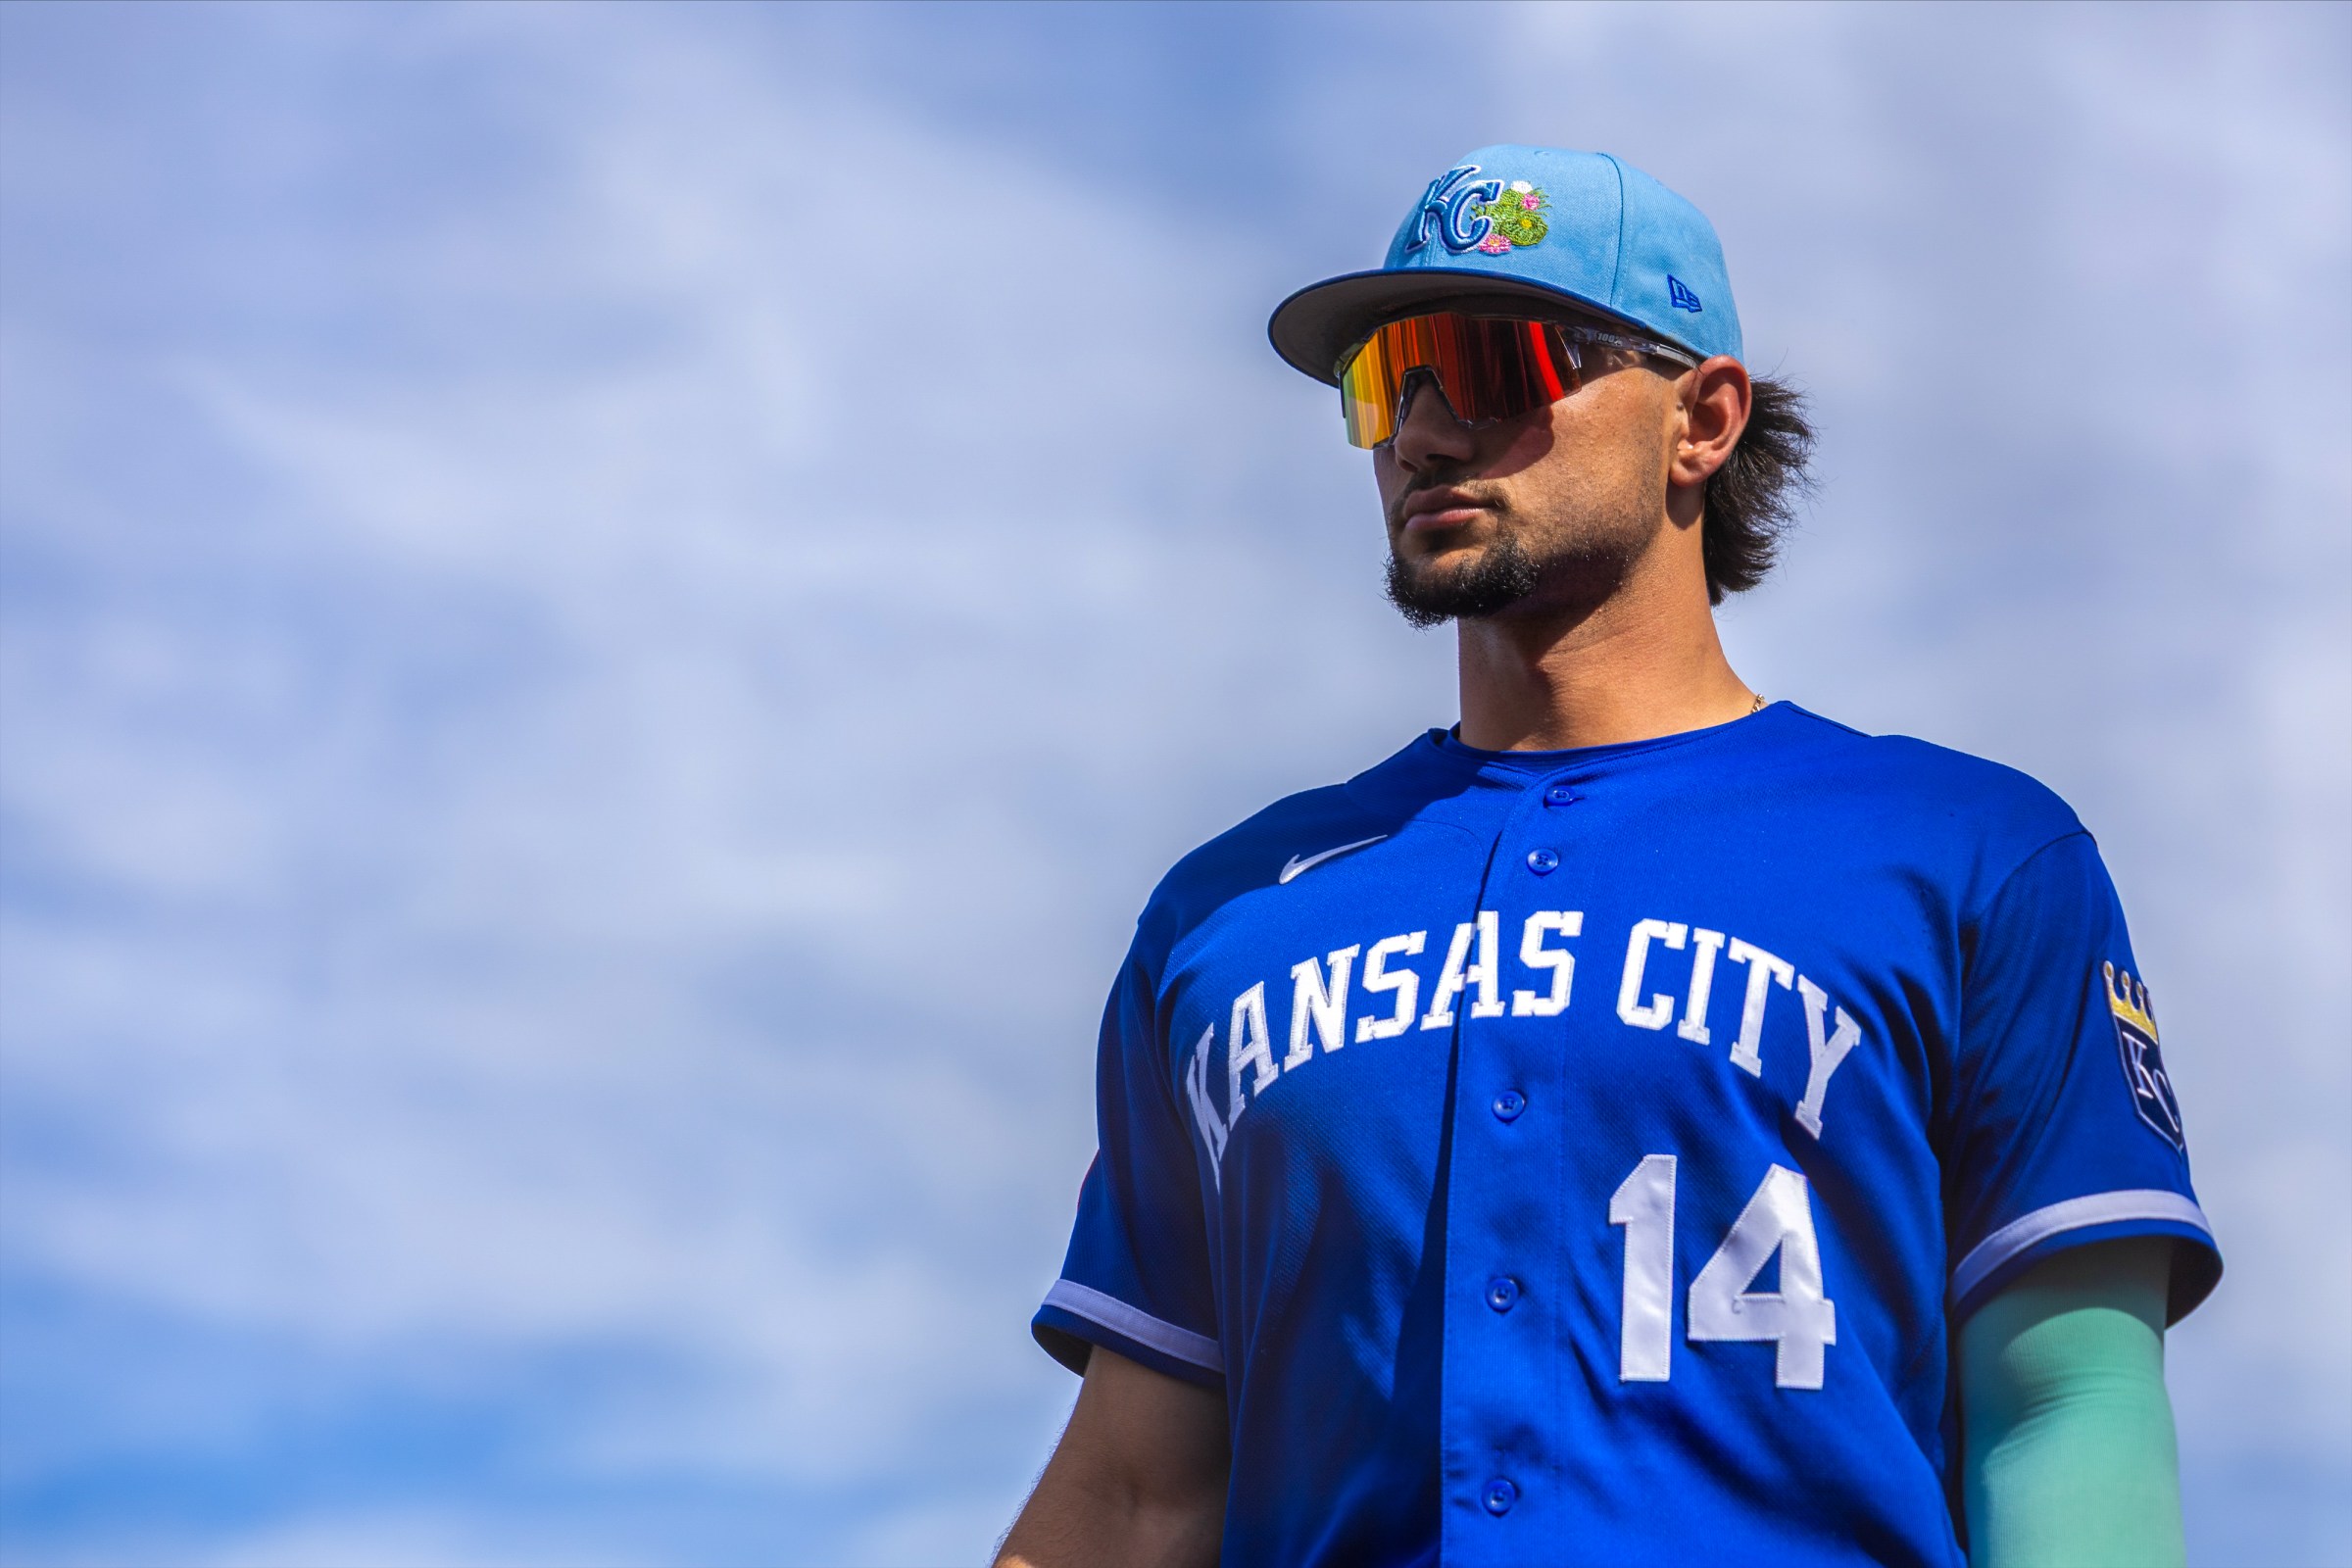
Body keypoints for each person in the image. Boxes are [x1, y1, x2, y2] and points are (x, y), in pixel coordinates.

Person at [995, 145, 2218, 1568]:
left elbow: (2063, 1407)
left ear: (1701, 419)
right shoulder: (1227, 920)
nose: (1429, 433)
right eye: (1392, 381)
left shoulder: (1972, 856)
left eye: (1493, 362)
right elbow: (1142, 1493)